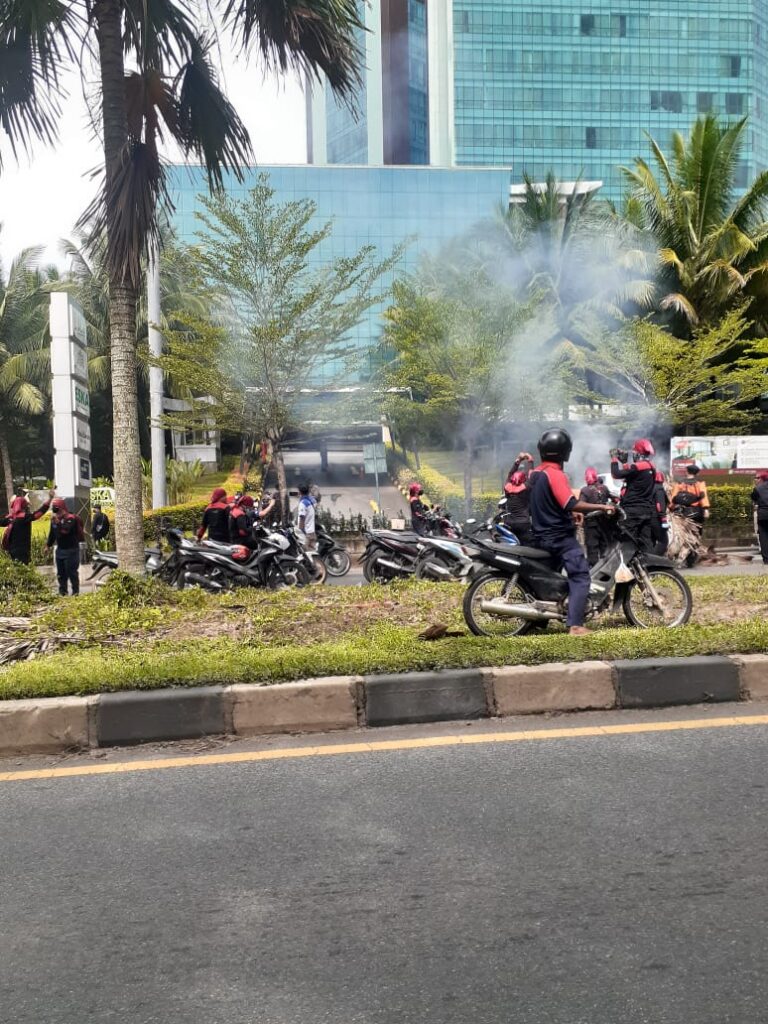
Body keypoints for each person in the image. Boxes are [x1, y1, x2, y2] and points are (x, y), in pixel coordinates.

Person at [528, 428, 616, 636]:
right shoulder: (555, 474)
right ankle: (575, 625)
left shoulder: (536, 474)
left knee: (546, 580)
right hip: (560, 538)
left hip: (540, 535)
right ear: (565, 452)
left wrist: (571, 513)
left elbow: (549, 502)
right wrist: (602, 506)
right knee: (580, 576)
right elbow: (569, 503)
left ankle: (537, 621)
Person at [610, 439, 657, 552]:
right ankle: (649, 562)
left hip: (633, 510)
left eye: (634, 452)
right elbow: (633, 477)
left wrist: (614, 459)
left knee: (625, 539)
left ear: (638, 453)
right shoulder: (651, 466)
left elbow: (616, 474)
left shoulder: (638, 467)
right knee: (646, 541)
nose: (633, 455)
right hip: (646, 509)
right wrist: (625, 463)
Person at [0, 488, 54, 565]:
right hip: (23, 552)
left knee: (16, 568)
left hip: (12, 551)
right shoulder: (24, 517)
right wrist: (50, 499)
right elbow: (39, 513)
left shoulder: (11, 518)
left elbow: (1, 522)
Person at [45, 497, 85, 596]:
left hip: (71, 550)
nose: (57, 513)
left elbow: (65, 531)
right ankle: (63, 592)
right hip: (60, 550)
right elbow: (52, 534)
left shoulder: (71, 518)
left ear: (62, 508)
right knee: (61, 573)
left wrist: (58, 523)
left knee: (71, 572)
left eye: (58, 510)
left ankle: (75, 592)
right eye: (55, 510)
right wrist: (48, 545)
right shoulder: (54, 520)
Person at [579, 468, 611, 566]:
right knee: (605, 549)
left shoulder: (585, 490)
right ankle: (606, 569)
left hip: (591, 525)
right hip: (605, 523)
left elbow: (581, 506)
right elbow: (612, 498)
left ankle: (594, 571)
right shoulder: (604, 488)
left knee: (592, 550)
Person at [670, 464, 710, 529]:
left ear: (687, 472)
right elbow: (703, 496)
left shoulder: (680, 483)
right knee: (697, 531)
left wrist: (671, 507)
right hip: (697, 512)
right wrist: (706, 509)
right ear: (697, 473)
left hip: (682, 512)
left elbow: (674, 497)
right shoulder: (700, 483)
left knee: (684, 531)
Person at [502, 469, 532, 544]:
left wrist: (517, 463)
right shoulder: (525, 490)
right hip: (523, 523)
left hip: (510, 523)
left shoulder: (507, 489)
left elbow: (510, 474)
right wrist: (530, 463)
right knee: (526, 544)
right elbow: (530, 476)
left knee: (513, 543)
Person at [651, 471, 670, 555]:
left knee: (651, 540)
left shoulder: (648, 488)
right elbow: (659, 505)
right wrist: (663, 520)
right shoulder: (659, 489)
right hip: (656, 518)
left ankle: (648, 558)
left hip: (647, 517)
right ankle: (655, 559)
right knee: (663, 541)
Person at [297, 483, 318, 549]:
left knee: (304, 552)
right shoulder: (310, 501)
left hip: (306, 533)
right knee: (313, 552)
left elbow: (302, 518)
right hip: (312, 531)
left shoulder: (303, 503)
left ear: (300, 492)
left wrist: (299, 531)